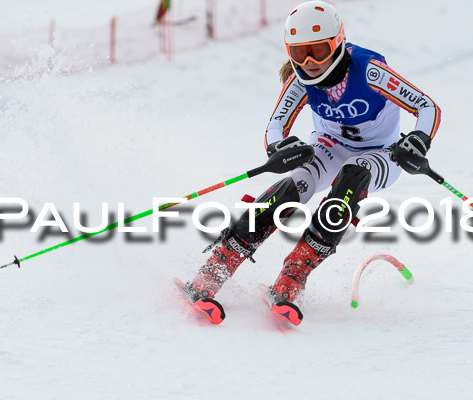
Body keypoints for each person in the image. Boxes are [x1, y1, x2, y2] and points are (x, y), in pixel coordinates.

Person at [181, 0, 441, 324]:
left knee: (353, 175)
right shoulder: (301, 80)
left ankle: (293, 276)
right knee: (295, 186)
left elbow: (427, 107)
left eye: (318, 50)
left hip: (382, 152)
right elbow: (276, 125)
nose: (309, 62)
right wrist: (280, 147)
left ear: (338, 44)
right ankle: (215, 269)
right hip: (330, 145)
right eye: (299, 52)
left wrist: (417, 139)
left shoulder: (370, 71)